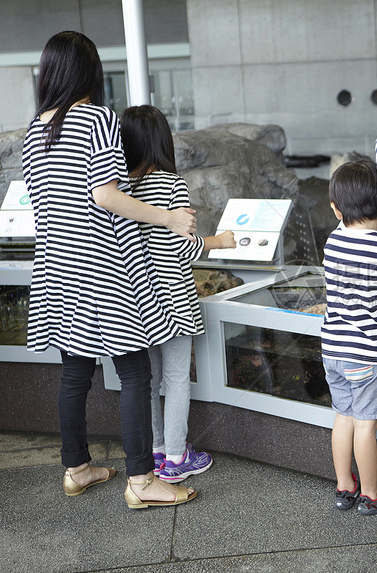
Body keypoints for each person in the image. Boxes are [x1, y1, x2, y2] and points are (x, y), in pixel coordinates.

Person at [23, 31, 198, 509]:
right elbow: (105, 195)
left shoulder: (33, 132)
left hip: (56, 270)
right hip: (102, 267)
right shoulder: (97, 118)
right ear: (89, 72)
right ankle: (143, 481)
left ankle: (76, 469)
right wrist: (166, 216)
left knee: (74, 374)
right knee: (136, 370)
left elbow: (42, 206)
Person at [119, 105, 236, 483]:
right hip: (172, 297)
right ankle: (176, 457)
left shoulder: (122, 189)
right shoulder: (171, 184)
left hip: (138, 298)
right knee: (176, 378)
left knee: (149, 381)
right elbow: (182, 249)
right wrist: (219, 241)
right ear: (161, 141)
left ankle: (155, 451)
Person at [321, 160, 377, 515]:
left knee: (342, 417)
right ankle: (371, 493)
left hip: (333, 349)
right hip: (367, 354)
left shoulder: (332, 242)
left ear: (335, 209)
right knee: (365, 425)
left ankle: (345, 486)